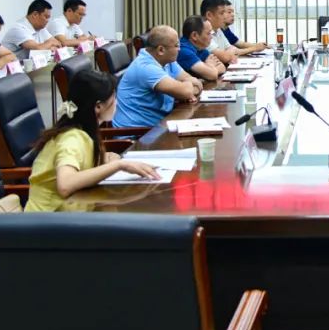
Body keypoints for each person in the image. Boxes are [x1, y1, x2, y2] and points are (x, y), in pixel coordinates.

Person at [24, 69, 160, 212]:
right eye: (114, 99)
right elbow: (65, 185)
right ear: (98, 106)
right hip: (47, 220)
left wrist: (102, 161)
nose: (117, 103)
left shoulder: (84, 132)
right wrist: (119, 165)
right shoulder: (71, 139)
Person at [112, 25, 204, 127]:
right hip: (137, 133)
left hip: (156, 126)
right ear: (161, 50)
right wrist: (186, 91)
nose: (179, 49)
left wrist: (187, 90)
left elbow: (195, 83)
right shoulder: (146, 67)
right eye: (176, 45)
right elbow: (186, 91)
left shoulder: (168, 61)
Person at [178, 15, 226, 82]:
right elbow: (212, 75)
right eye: (208, 33)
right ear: (194, 35)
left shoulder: (201, 48)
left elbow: (222, 67)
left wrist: (210, 69)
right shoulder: (183, 51)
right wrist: (210, 65)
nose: (211, 37)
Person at [201, 0, 240, 65]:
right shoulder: (202, 32)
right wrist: (228, 54)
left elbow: (233, 49)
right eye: (222, 13)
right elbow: (225, 57)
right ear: (209, 15)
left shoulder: (218, 29)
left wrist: (228, 53)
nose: (225, 16)